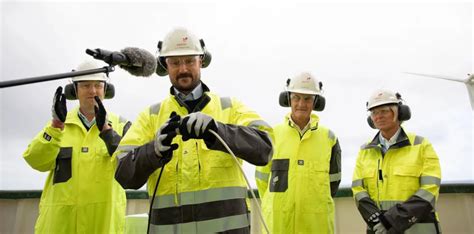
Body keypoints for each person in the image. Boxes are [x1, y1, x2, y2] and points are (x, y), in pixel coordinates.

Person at [114, 27, 273, 233]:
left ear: (201, 61)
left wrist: (218, 131)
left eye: (189, 60)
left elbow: (265, 148)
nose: (183, 69)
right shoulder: (150, 116)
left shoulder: (229, 108)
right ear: (165, 65)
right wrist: (153, 151)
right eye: (175, 62)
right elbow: (123, 175)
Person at [23, 59, 131, 234]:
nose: (93, 91)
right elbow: (36, 161)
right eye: (86, 85)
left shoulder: (121, 125)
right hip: (59, 226)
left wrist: (106, 131)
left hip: (103, 225)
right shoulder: (58, 126)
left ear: (106, 89)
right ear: (74, 91)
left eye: (98, 85)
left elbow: (133, 168)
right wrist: (56, 126)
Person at [255, 72, 342, 233]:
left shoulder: (329, 138)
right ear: (288, 99)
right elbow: (262, 181)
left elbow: (333, 183)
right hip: (278, 225)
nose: (301, 103)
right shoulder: (272, 135)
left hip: (316, 226)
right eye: (296, 98)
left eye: (308, 98)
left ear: (316, 102)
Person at [351, 89, 442, 234]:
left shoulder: (422, 145)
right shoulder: (365, 150)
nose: (378, 116)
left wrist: (392, 221)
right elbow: (358, 189)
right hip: (378, 229)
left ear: (399, 112)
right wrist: (376, 220)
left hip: (417, 229)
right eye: (374, 112)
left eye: (384, 111)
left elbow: (430, 190)